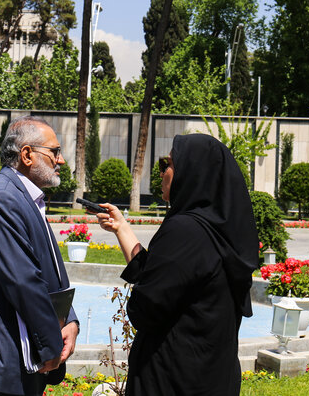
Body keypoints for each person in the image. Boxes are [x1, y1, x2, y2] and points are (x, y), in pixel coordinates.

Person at [93, 134, 259, 395]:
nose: (161, 173)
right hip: (211, 374)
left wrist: (139, 298)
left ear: (192, 172)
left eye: (167, 165)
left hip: (174, 378)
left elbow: (145, 308)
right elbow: (167, 280)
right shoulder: (216, 231)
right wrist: (122, 229)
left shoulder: (185, 231)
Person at [0, 116, 79, 396]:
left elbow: (48, 272)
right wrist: (51, 344)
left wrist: (69, 321)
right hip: (3, 363)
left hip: (22, 357)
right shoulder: (1, 198)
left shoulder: (24, 197)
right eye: (54, 152)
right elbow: (23, 281)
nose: (60, 160)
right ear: (26, 154)